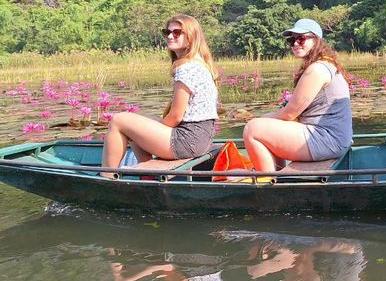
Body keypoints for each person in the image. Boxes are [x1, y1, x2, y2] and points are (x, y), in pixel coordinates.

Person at [100, 14, 218, 177]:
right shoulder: (198, 63)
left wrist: (152, 130)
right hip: (200, 138)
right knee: (143, 119)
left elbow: (175, 117)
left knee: (118, 120)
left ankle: (106, 176)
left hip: (188, 141)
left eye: (177, 33)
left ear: (191, 37)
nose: (170, 36)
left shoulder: (188, 68)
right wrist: (148, 128)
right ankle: (147, 171)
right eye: (167, 32)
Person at [243, 19, 352, 173]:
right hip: (333, 139)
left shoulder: (317, 70)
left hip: (327, 140)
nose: (295, 44)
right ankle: (275, 174)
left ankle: (266, 183)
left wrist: (262, 118)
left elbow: (289, 113)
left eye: (301, 38)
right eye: (291, 40)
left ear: (316, 41)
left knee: (252, 129)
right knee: (267, 128)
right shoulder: (325, 65)